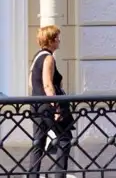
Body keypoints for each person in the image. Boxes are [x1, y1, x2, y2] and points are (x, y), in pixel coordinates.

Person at [29, 25, 74, 176]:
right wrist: (56, 108)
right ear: (51, 40)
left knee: (38, 142)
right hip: (47, 107)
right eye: (57, 38)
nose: (59, 40)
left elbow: (31, 82)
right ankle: (59, 175)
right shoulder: (48, 58)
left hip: (36, 105)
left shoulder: (37, 57)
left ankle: (33, 175)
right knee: (64, 138)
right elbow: (48, 84)